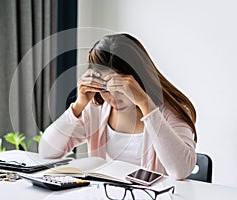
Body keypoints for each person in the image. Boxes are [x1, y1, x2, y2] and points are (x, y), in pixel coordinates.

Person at [39, 33, 197, 180]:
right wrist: (78, 106)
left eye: (121, 90)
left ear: (138, 80)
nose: (113, 100)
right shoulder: (96, 111)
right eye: (106, 90)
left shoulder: (171, 112)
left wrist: (145, 104)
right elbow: (47, 152)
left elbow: (180, 171)